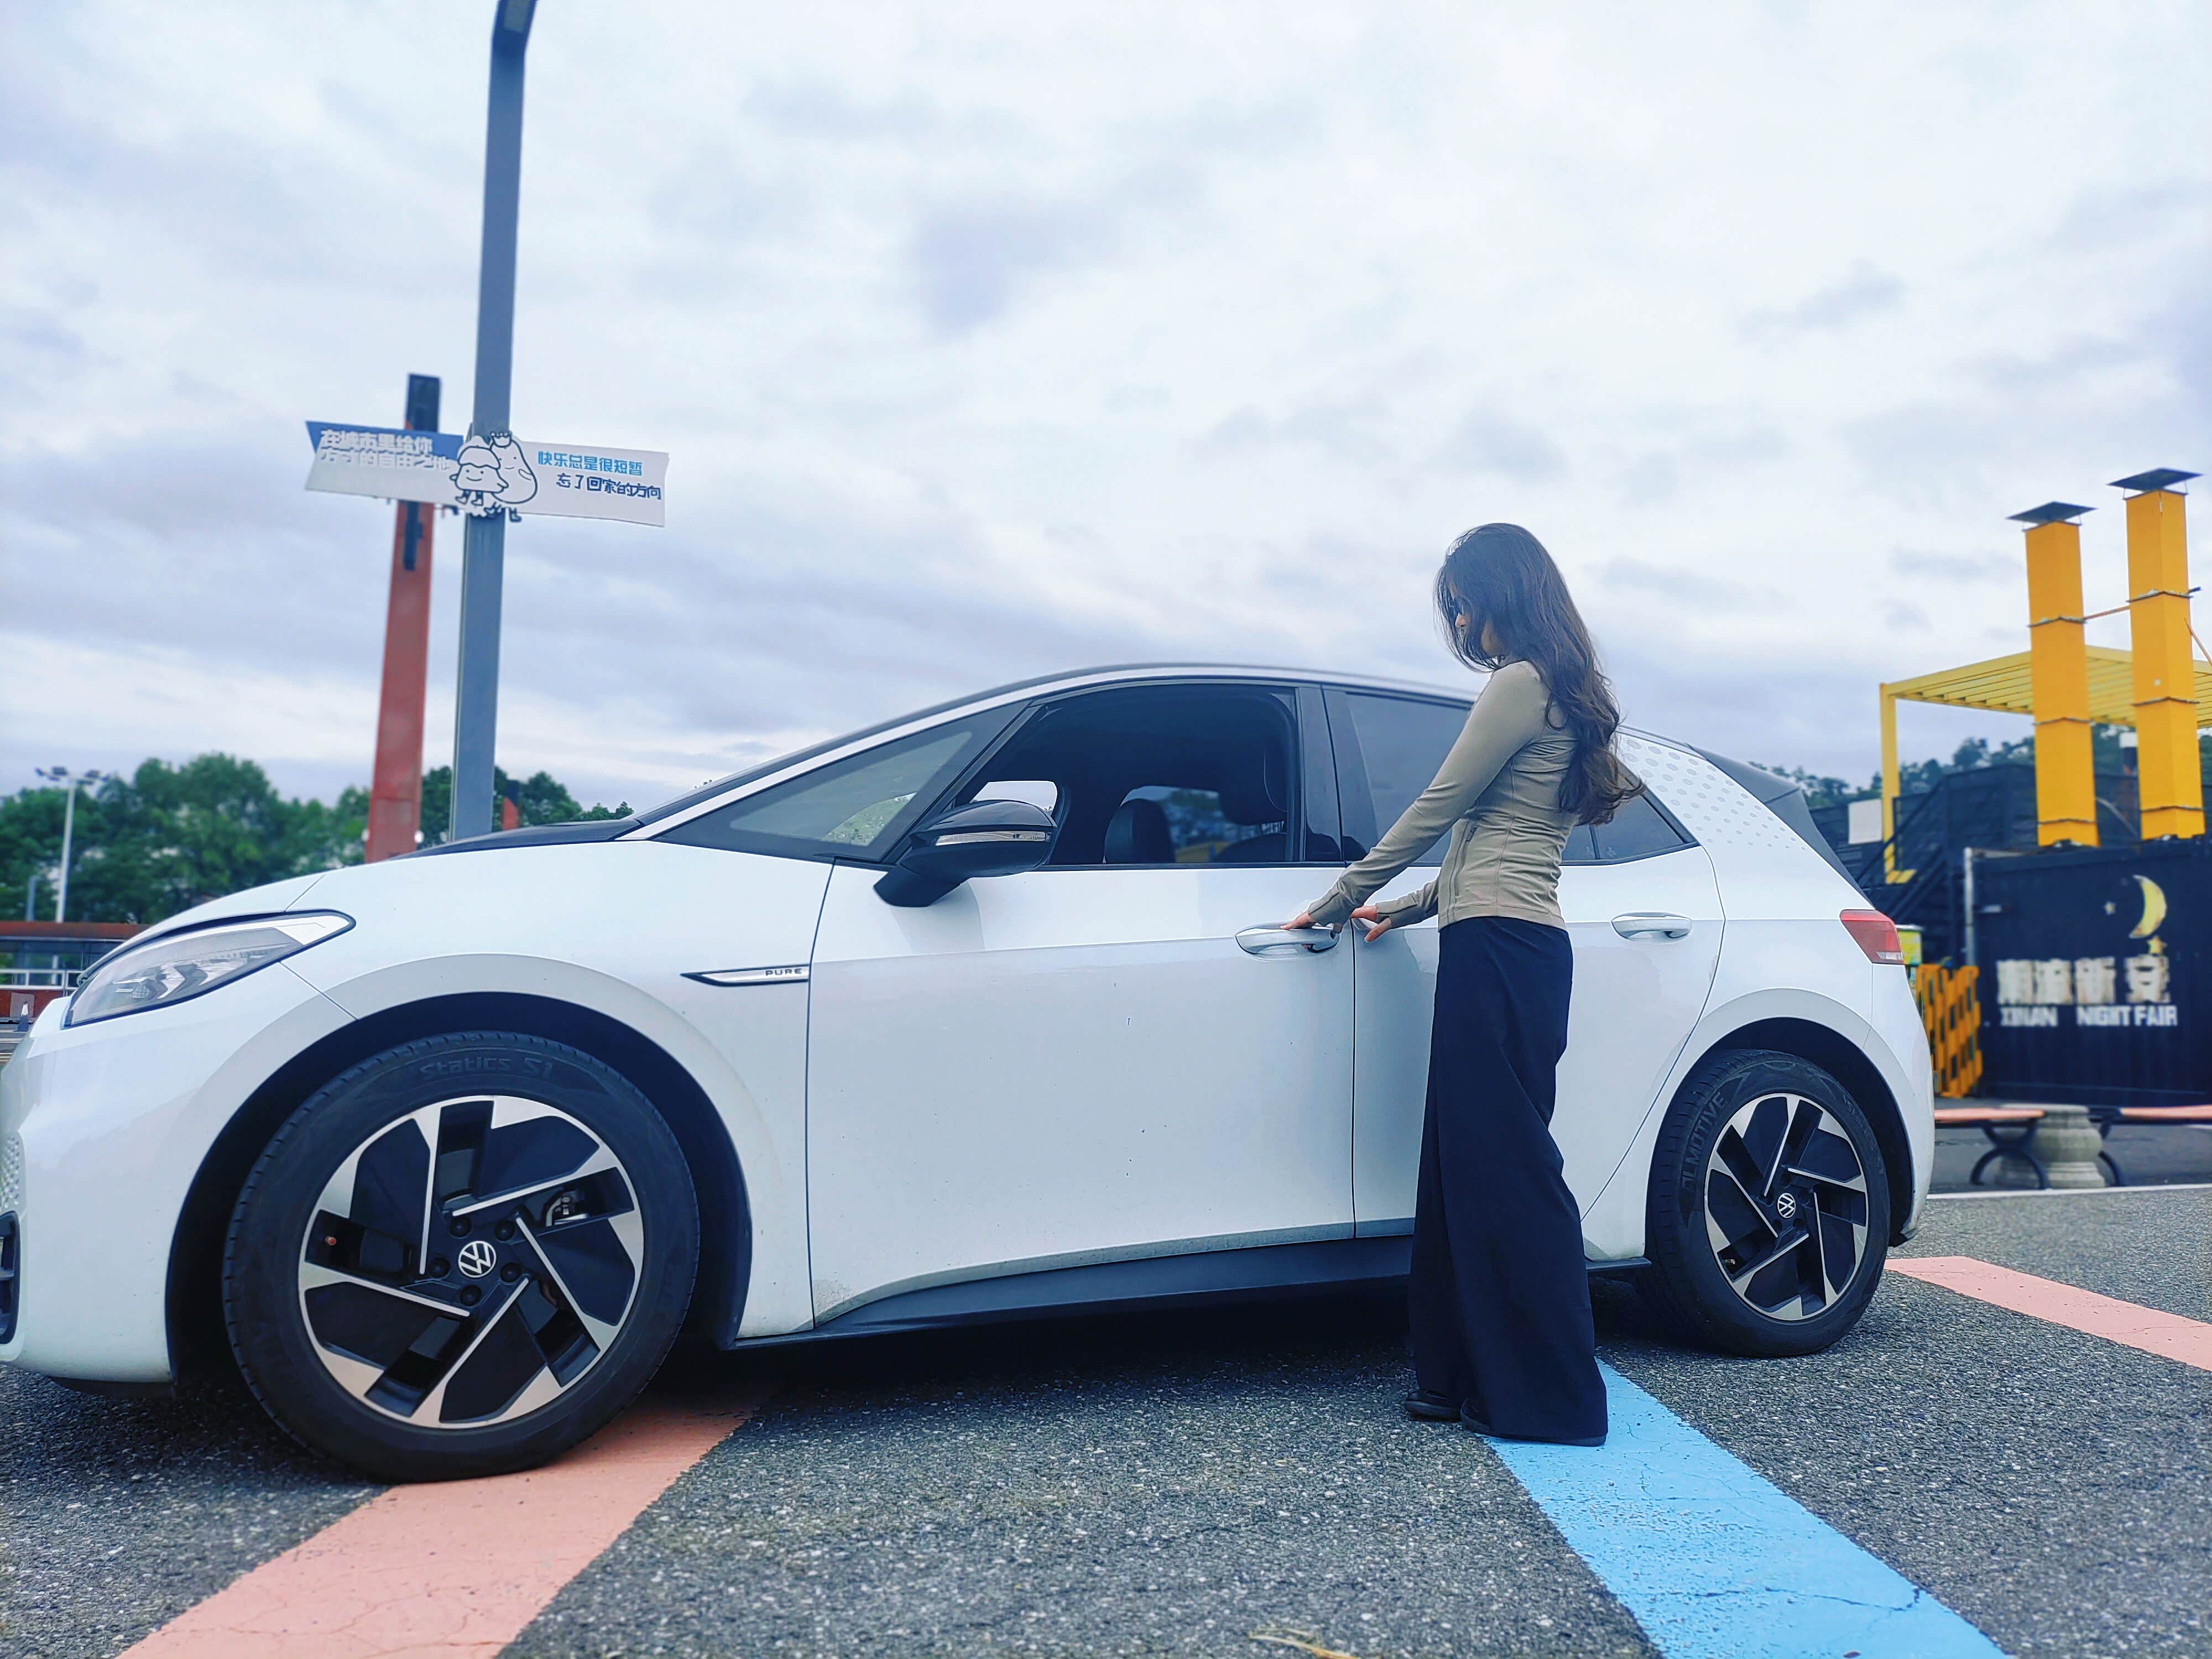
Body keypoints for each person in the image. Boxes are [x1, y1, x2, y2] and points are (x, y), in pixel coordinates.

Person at [1288, 523, 1639, 1447]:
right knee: (1461, 1166)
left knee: (1508, 1170)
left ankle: (1554, 1401)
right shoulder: (1562, 692)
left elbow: (1441, 807)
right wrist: (1402, 909)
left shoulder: (1522, 682)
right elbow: (1495, 844)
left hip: (1500, 950)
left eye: (1462, 605)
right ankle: (1453, 1378)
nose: (1459, 625)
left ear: (1502, 595)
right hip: (1514, 944)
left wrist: (1339, 895)